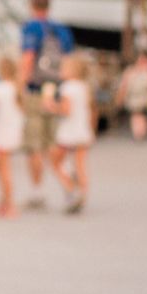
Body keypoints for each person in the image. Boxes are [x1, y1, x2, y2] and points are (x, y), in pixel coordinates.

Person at [19, 0, 74, 209]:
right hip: (57, 90)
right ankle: (68, 175)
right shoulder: (61, 30)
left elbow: (28, 59)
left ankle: (38, 191)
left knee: (34, 144)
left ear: (32, 5)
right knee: (53, 140)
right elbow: (69, 63)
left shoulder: (32, 27)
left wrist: (20, 87)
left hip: (36, 90)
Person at [47, 54, 95, 214]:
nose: (60, 70)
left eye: (63, 67)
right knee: (80, 165)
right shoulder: (83, 87)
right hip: (83, 131)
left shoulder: (67, 87)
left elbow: (66, 110)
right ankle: (82, 192)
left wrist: (51, 105)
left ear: (72, 71)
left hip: (69, 132)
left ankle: (70, 188)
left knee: (55, 161)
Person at [0, 55, 25, 218]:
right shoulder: (17, 88)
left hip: (1, 131)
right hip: (14, 130)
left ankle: (9, 203)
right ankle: (4, 199)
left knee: (3, 168)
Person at [116, 53, 147, 141]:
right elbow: (124, 85)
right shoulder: (130, 71)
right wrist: (121, 97)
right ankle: (139, 132)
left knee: (139, 115)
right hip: (133, 97)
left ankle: (140, 132)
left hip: (144, 97)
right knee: (136, 115)